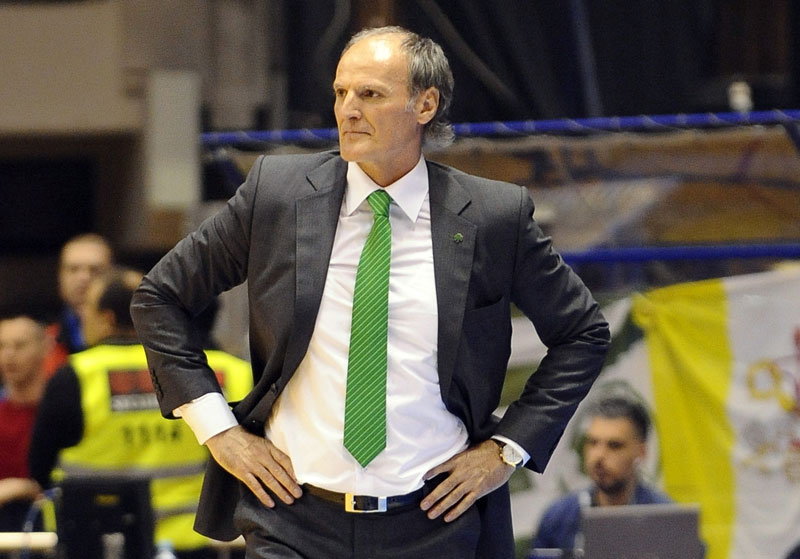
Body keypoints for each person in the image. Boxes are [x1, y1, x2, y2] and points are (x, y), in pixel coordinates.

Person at [130, 26, 610, 559]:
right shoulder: (278, 195)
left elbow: (583, 333)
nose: (348, 110)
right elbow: (160, 297)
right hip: (291, 519)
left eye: (370, 94)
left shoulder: (493, 216)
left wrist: (505, 450)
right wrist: (220, 431)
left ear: (425, 105)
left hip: (434, 522)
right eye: (340, 92)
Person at [29, 269, 253, 558]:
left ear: (107, 318)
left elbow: (39, 467)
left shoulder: (75, 376)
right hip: (207, 542)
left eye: (88, 309)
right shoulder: (230, 371)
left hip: (103, 542)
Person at [530, 396, 671, 553]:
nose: (599, 455)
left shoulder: (667, 522)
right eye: (593, 442)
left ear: (641, 452)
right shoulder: (558, 519)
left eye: (614, 445)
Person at [0, 315, 49, 531]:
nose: (9, 355)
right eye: (2, 346)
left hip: (49, 523)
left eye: (19, 346)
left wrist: (23, 488)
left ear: (44, 348)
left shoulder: (59, 412)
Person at [43, 233, 114, 376]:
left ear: (112, 275)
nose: (84, 277)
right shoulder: (44, 340)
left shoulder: (136, 336)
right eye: (73, 269)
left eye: (95, 269)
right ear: (60, 276)